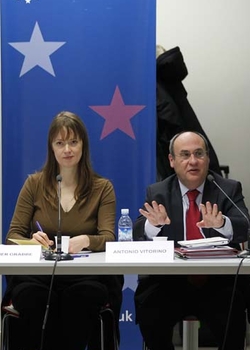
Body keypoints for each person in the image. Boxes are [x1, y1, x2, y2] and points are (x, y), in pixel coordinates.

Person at [2, 111, 124, 350]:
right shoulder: (34, 184)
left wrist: (86, 240)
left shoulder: (102, 188)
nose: (67, 149)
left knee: (83, 297)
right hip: (38, 277)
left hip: (85, 277)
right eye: (60, 143)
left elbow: (109, 238)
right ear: (52, 148)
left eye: (73, 142)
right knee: (32, 297)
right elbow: (12, 236)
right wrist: (31, 240)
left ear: (83, 146)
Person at [133, 131, 249, 350]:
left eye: (198, 154)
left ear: (207, 158)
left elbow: (245, 227)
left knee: (232, 310)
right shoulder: (158, 192)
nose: (193, 161)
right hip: (169, 283)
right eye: (184, 155)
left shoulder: (227, 188)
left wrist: (222, 224)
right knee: (151, 310)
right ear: (172, 161)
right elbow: (138, 232)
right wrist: (154, 225)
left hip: (217, 283)